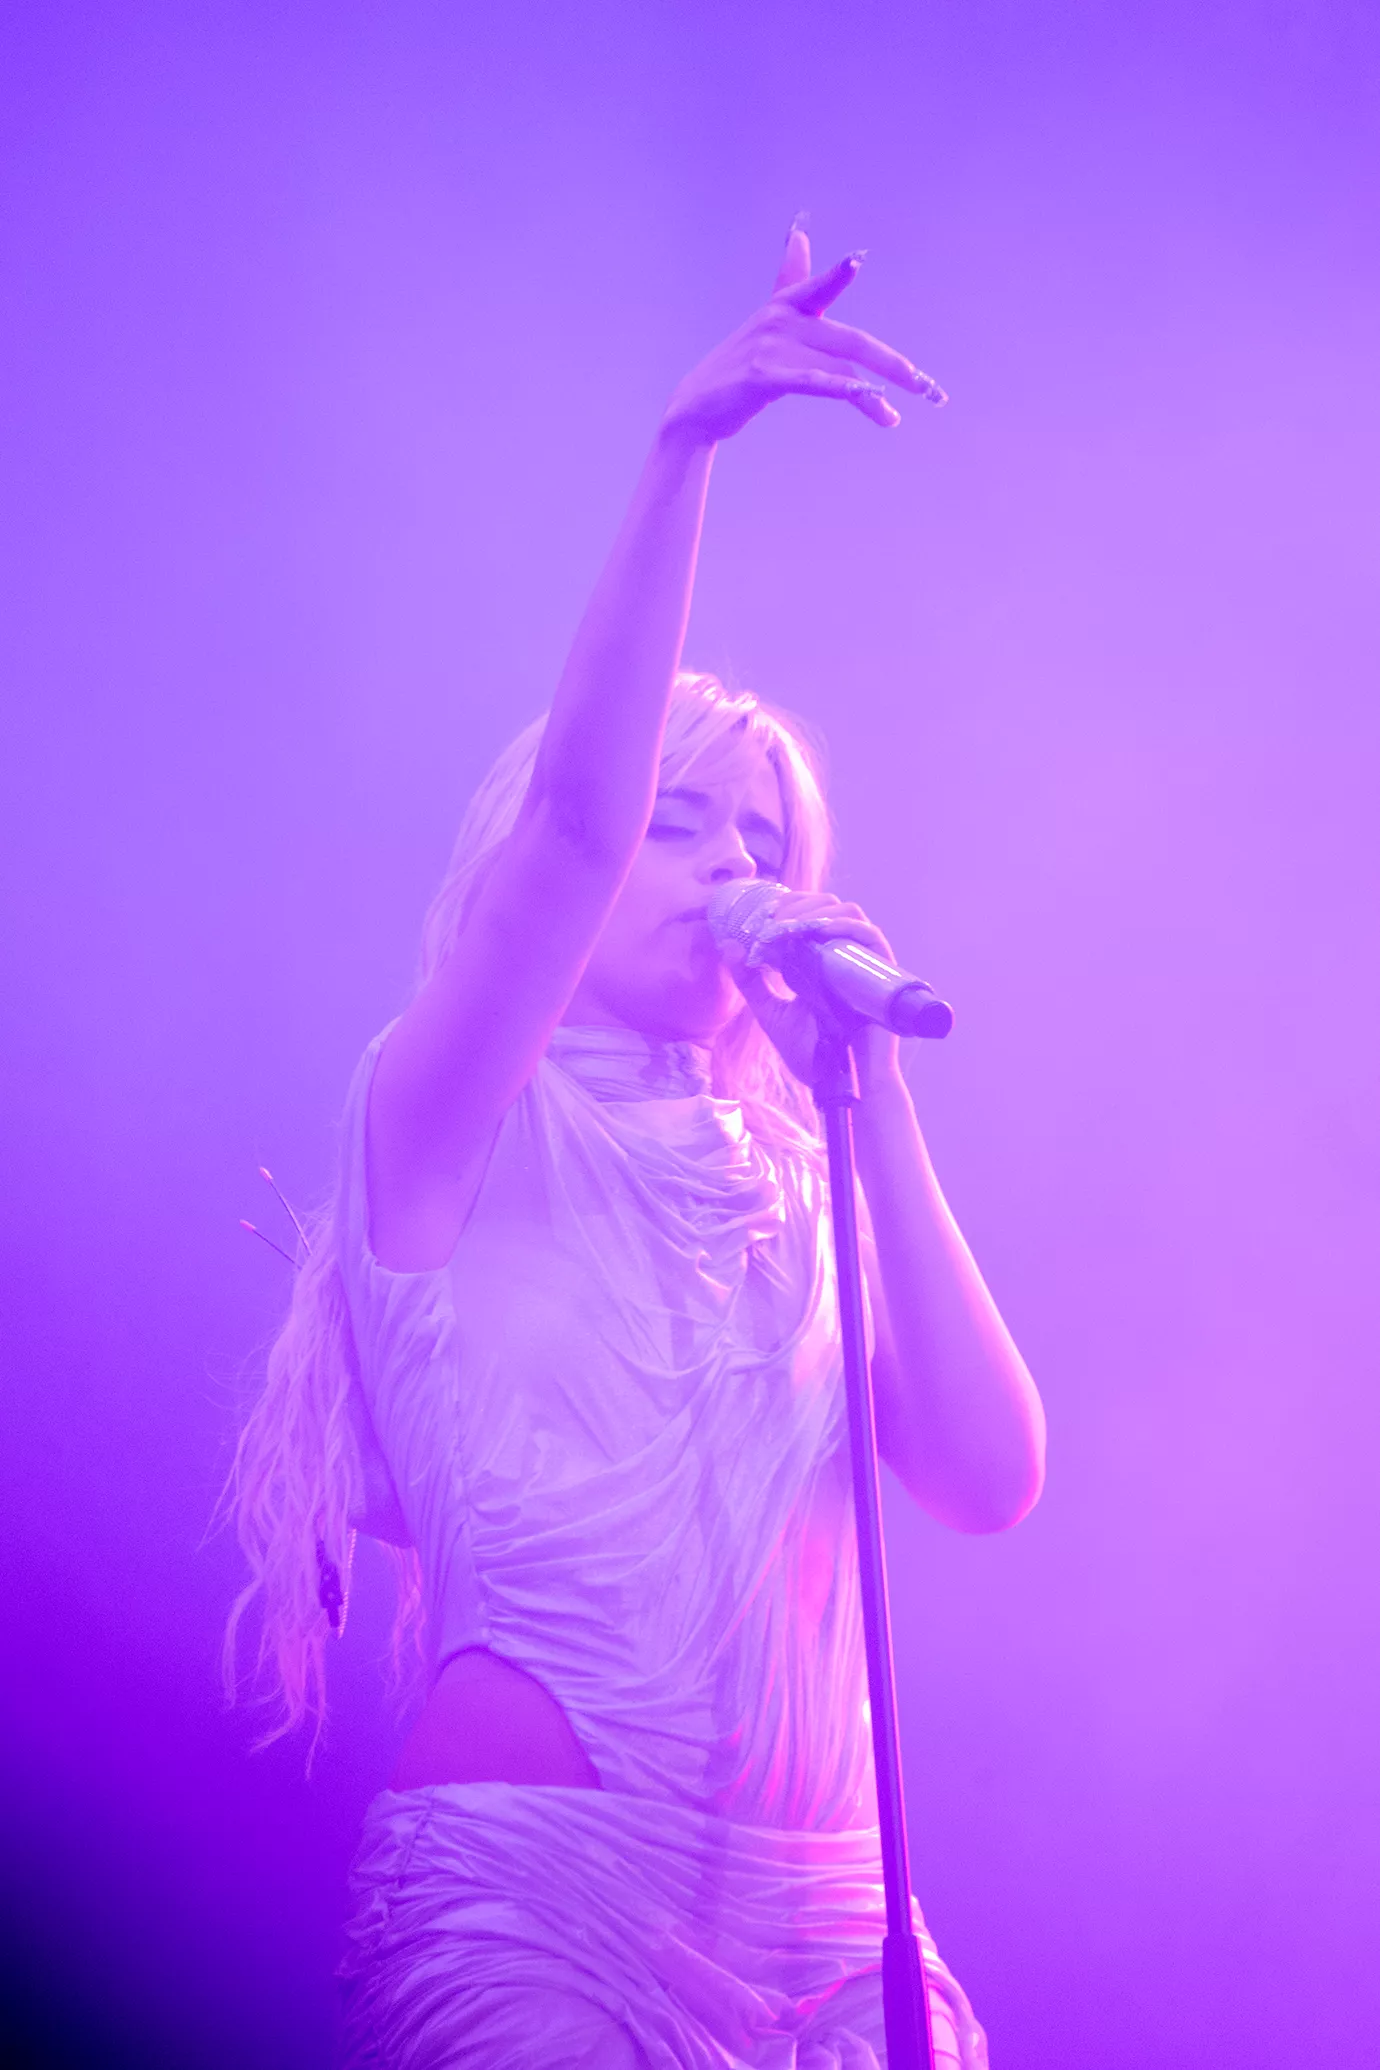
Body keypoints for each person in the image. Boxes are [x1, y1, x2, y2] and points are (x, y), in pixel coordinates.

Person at [228, 223, 1046, 2069]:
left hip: (839, 1928)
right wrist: (683, 454)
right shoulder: (445, 1110)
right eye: (686, 823)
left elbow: (990, 1472)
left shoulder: (806, 1174)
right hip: (545, 1901)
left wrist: (872, 1099)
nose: (728, 868)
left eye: (762, 841)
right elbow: (575, 834)